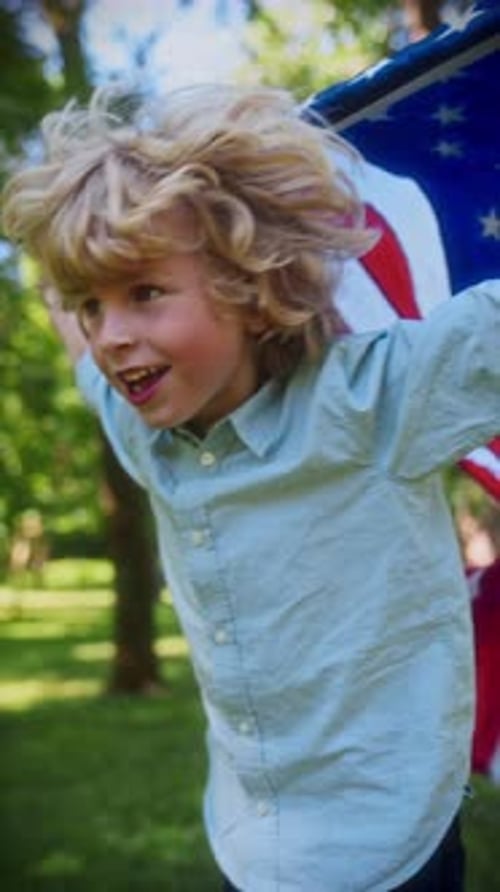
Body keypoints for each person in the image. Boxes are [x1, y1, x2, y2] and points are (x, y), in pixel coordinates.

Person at [3, 82, 500, 892]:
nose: (111, 335)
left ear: (246, 287)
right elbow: (70, 329)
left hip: (393, 845)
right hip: (255, 845)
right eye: (95, 307)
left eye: (146, 293)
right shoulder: (143, 428)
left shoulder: (372, 401)